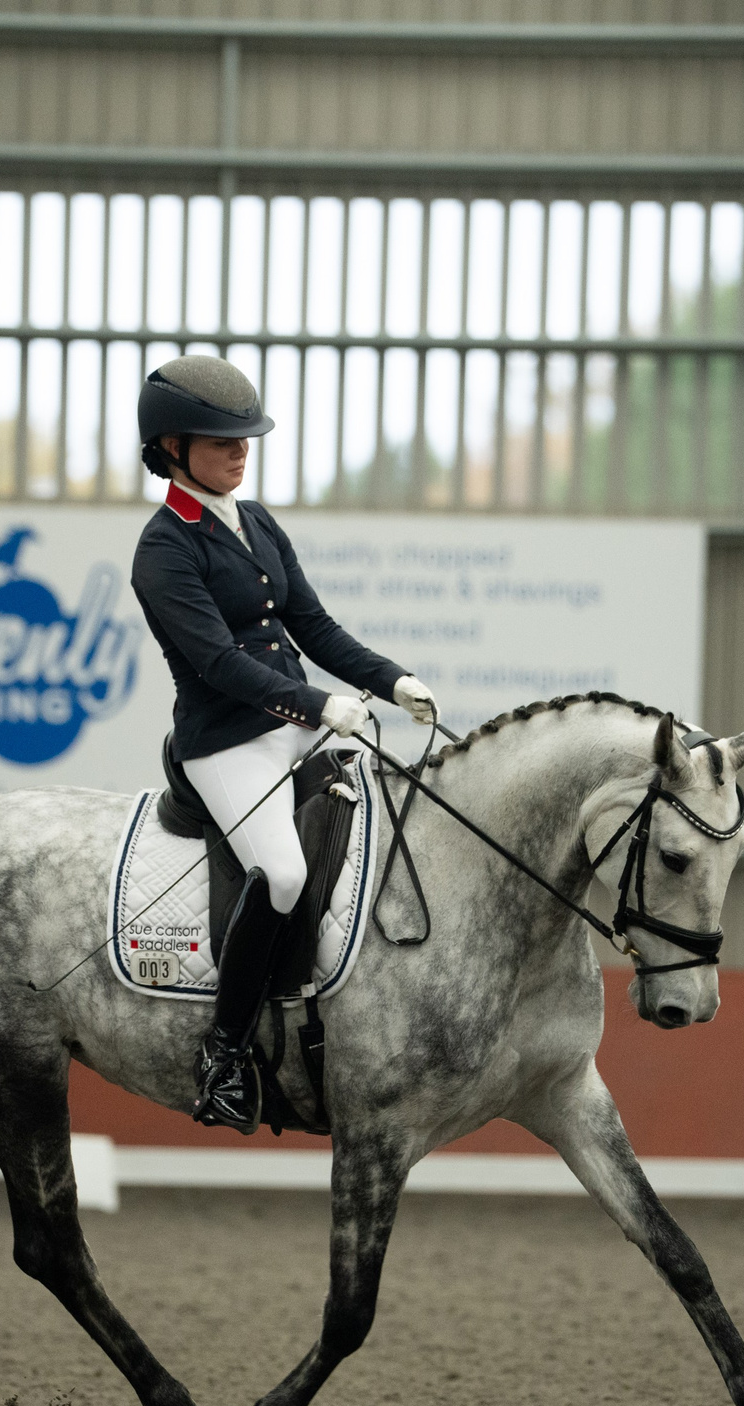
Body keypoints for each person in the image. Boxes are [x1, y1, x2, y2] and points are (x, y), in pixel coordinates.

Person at [127, 355, 437, 1132]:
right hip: (228, 742)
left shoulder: (256, 520)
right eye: (222, 440)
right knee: (285, 871)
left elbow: (314, 626)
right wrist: (316, 703)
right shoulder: (163, 548)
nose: (241, 452)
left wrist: (392, 680)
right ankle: (225, 1053)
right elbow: (218, 663)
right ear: (170, 447)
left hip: (297, 726)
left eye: (246, 439)